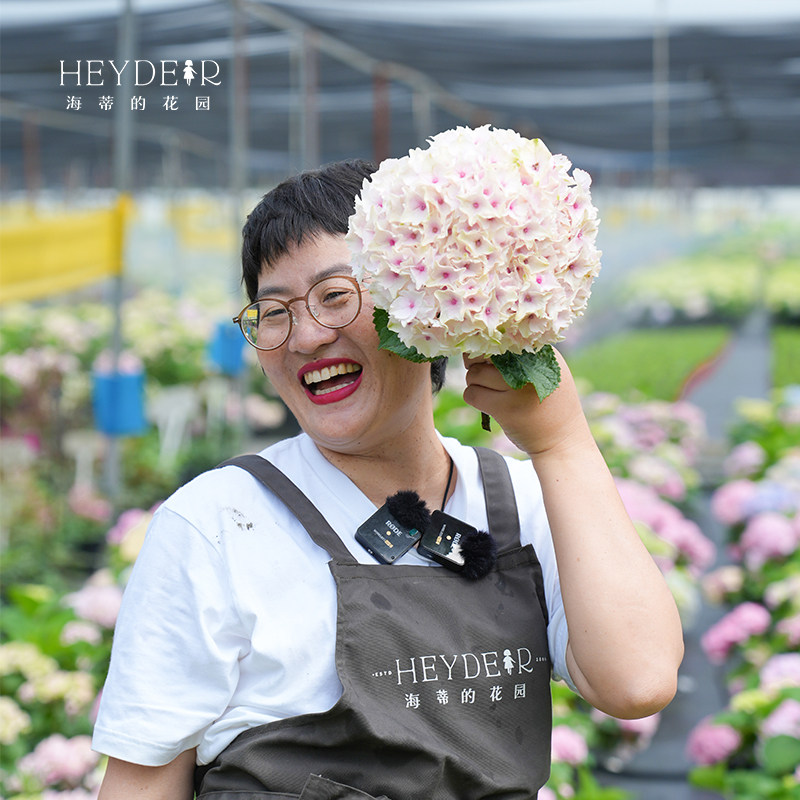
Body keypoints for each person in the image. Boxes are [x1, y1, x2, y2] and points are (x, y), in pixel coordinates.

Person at [93, 159, 683, 799]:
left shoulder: (517, 502)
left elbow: (637, 681)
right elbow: (140, 786)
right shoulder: (218, 523)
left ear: (421, 304)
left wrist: (562, 442)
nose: (306, 336)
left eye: (336, 296)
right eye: (272, 311)